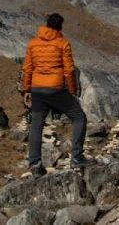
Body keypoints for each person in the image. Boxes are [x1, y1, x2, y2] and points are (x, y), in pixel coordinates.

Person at [22, 13, 94, 177]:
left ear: (46, 25)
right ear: (60, 27)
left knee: (36, 125)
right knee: (78, 117)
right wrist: (72, 91)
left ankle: (34, 163)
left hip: (37, 89)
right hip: (55, 88)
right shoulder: (63, 43)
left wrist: (26, 90)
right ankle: (76, 157)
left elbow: (27, 68)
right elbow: (69, 70)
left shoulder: (33, 44)